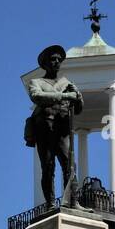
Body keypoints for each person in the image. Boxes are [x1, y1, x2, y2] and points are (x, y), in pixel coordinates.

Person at [25, 44, 83, 206]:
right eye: (52, 59)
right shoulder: (36, 82)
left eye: (59, 59)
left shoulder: (67, 83)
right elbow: (37, 96)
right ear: (44, 63)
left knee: (70, 166)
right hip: (45, 129)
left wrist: (77, 97)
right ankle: (50, 203)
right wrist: (64, 95)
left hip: (62, 130)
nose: (56, 62)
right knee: (48, 167)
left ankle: (72, 201)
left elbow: (78, 109)